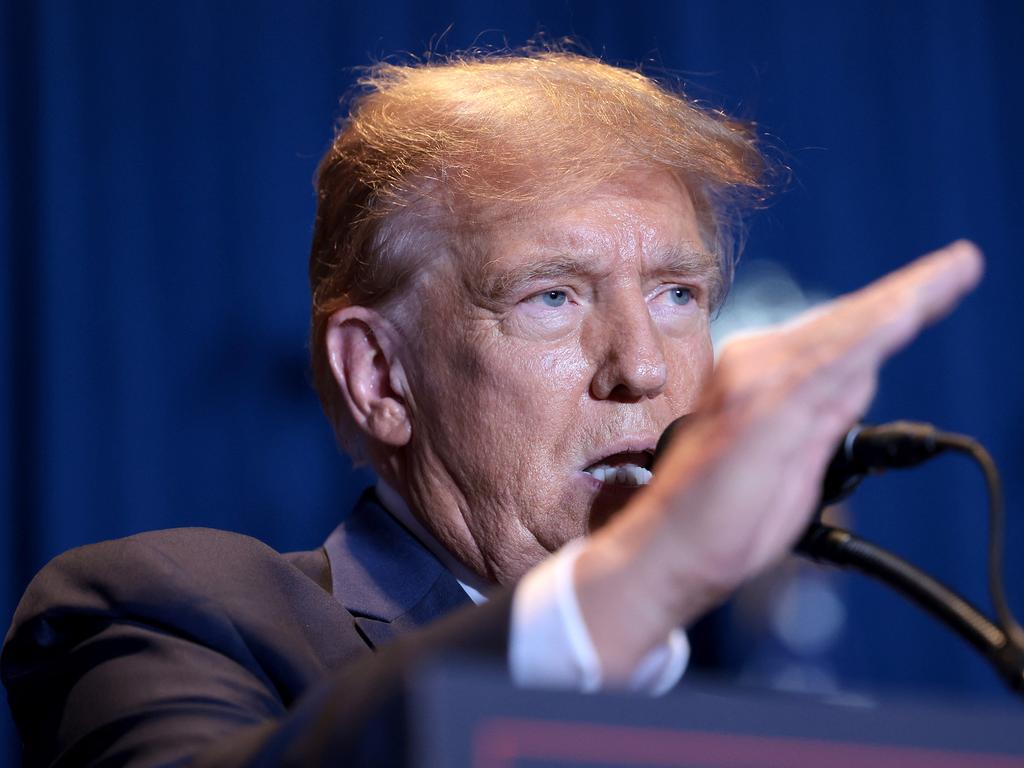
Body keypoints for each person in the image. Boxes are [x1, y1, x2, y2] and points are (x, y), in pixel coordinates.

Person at [2, 50, 982, 766]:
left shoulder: (738, 700)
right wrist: (645, 578)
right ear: (379, 376)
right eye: (551, 297)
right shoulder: (173, 615)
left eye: (677, 295)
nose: (641, 368)